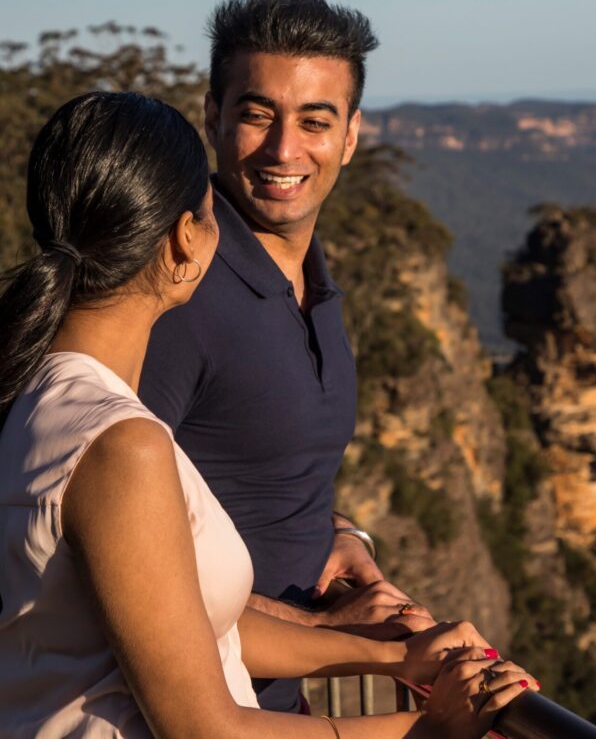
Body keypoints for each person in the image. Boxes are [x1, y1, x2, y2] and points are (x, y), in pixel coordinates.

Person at [0, 91, 536, 738]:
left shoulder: (39, 396)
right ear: (182, 243)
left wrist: (391, 656)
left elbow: (187, 629)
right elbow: (207, 729)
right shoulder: (121, 445)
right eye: (209, 212)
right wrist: (425, 731)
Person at [139, 0, 437, 713]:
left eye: (314, 120)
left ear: (351, 135)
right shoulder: (180, 291)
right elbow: (115, 560)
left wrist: (340, 534)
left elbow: (253, 468)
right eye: (256, 114)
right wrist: (331, 630)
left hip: (279, 706)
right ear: (212, 117)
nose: (283, 150)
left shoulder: (314, 284)